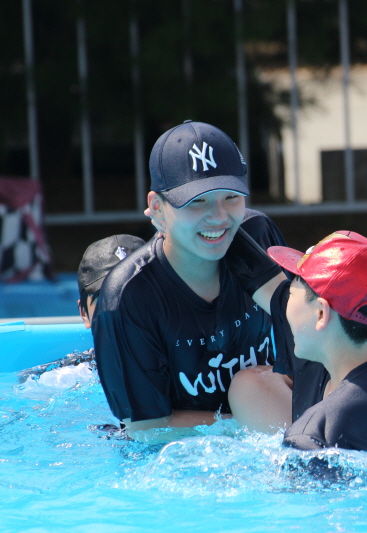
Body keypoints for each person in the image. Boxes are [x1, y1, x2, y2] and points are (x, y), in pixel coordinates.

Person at [91, 120, 287, 443]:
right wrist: (250, 425)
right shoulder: (128, 297)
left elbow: (306, 343)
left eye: (231, 197)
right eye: (197, 201)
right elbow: (147, 429)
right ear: (157, 208)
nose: (219, 217)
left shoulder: (258, 237)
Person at [226, 230, 367, 452]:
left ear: (321, 313)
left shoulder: (312, 437)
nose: (285, 306)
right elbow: (260, 277)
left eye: (290, 294)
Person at [18, 234, 146, 381]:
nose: (124, 309)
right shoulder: (57, 379)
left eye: (139, 297)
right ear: (84, 313)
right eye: (107, 299)